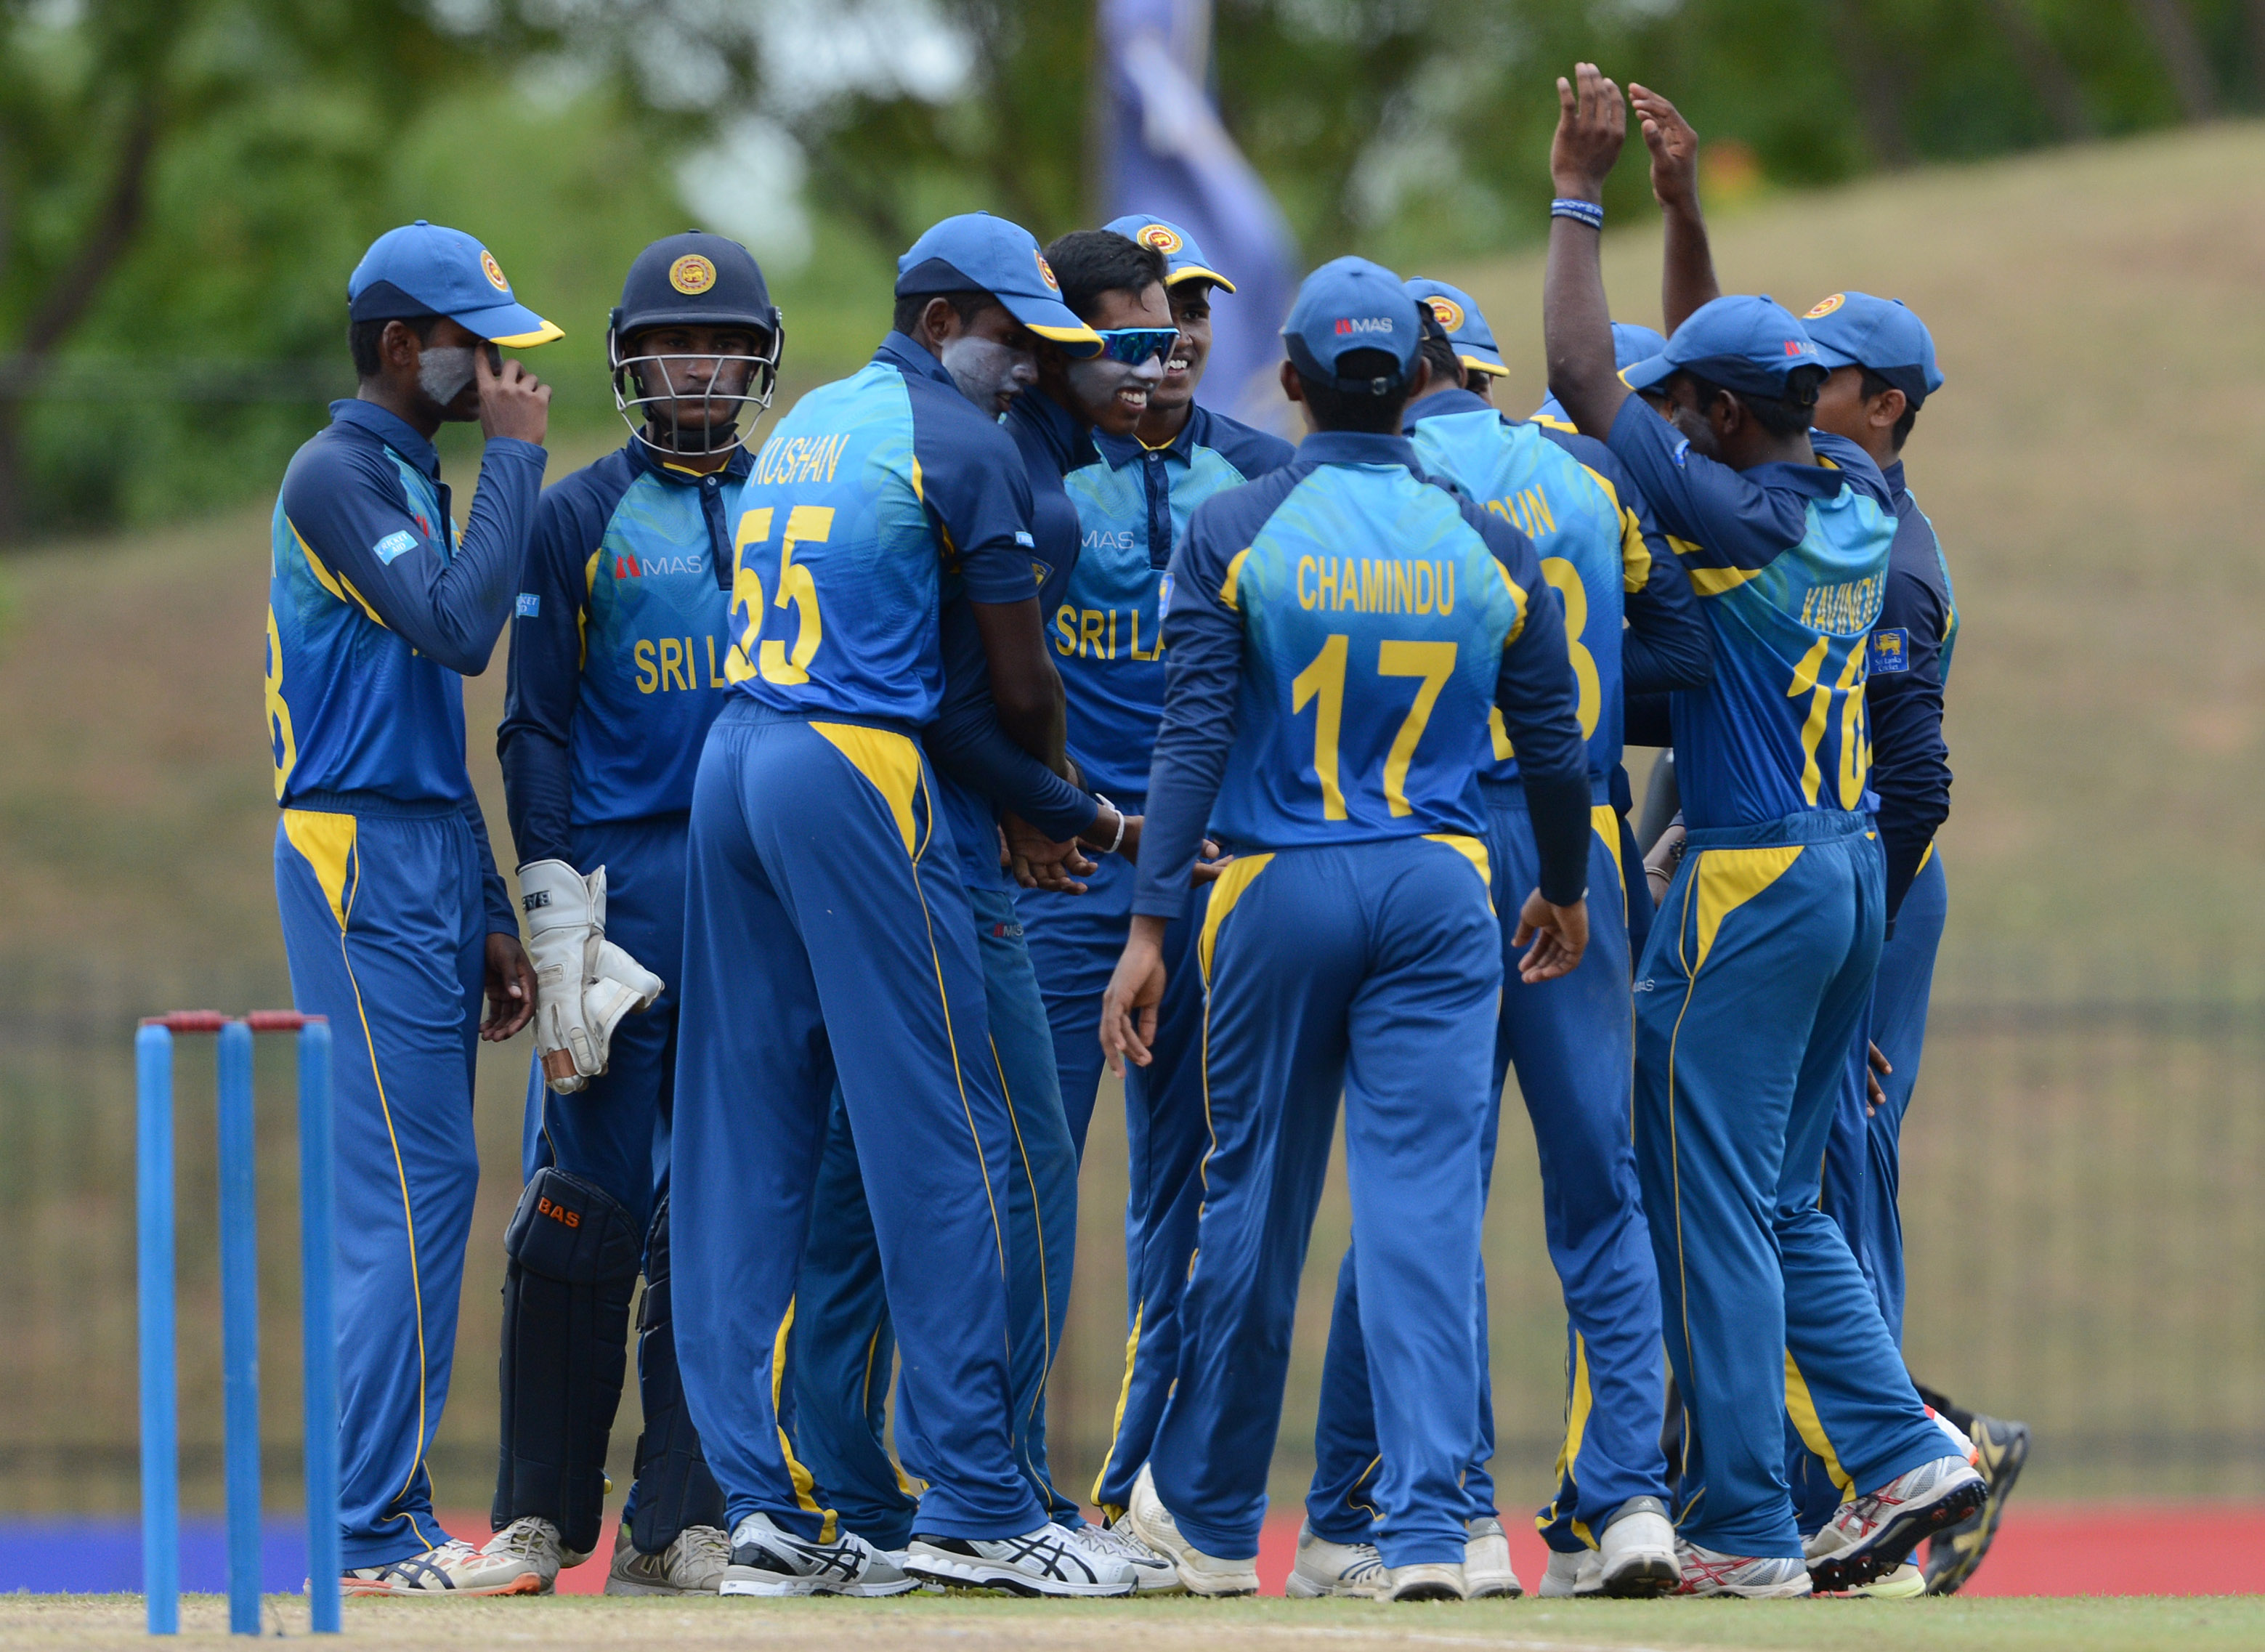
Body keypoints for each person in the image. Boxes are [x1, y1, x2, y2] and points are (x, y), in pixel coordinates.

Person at [1543, 65, 1983, 1597]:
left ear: (1722, 424)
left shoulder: (1731, 520)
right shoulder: (1856, 493)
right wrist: (1681, 218)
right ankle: (1907, 1450)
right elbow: (1726, 371)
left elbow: (1583, 373)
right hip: (1849, 870)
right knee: (1782, 1197)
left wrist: (1578, 197)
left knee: (1707, 1203)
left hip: (1749, 875)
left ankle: (1739, 1521)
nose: (1663, 424)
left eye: (1685, 412)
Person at [1103, 256, 1594, 1603]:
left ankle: (1211, 1527)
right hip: (1440, 886)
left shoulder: (1238, 527)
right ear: (1421, 378)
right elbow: (1553, 744)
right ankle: (1427, 1531)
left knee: (1251, 1204)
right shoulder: (1489, 542)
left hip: (1277, 885)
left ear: (1295, 380)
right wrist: (1563, 883)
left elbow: (1191, 737)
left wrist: (1149, 925)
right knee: (1423, 1216)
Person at [668, 210, 1140, 1599]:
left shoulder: (812, 418)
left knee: (745, 1132)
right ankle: (979, 1506)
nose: (1028, 367)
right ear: (939, 321)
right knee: (951, 1135)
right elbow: (1018, 687)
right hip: (858, 766)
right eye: (1011, 338)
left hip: (737, 755)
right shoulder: (964, 441)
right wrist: (1070, 812)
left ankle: (767, 1508)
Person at [1291, 281, 1711, 1602]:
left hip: (1426, 837)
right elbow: (1683, 646)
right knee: (1600, 1179)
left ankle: (1456, 1511)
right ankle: (1628, 1500)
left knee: (1425, 1189)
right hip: (1573, 830)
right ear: (1476, 369)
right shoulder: (1582, 473)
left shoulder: (1375, 485)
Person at [787, 225, 1169, 1588]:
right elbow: (969, 707)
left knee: (905, 1163)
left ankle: (884, 1488)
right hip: (936, 845)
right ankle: (970, 1492)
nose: (1146, 368)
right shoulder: (1011, 472)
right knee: (980, 1162)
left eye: (1160, 341)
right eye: (1115, 342)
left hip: (924, 830)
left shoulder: (1003, 454)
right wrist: (1074, 815)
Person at [485, 231, 782, 1596]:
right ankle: (538, 1517)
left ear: (756, 359)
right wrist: (550, 901)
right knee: (582, 1203)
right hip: (619, 893)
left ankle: (684, 1519)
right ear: (629, 361)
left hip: (753, 883)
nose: (697, 367)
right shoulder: (577, 516)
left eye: (721, 345)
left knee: (723, 1212)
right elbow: (534, 721)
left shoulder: (794, 505)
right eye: (671, 346)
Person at [267, 219, 552, 1593]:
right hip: (357, 854)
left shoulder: (406, 479)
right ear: (400, 345)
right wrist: (517, 460)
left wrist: (489, 900)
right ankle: (371, 1529)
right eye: (476, 347)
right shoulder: (333, 474)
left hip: (427, 847)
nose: (501, 374)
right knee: (409, 1183)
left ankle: (385, 1515)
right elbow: (460, 629)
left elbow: (431, 717)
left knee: (427, 1181)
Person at [1011, 215, 1293, 1538]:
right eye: (1150, 315)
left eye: (1194, 310)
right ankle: (996, 1481)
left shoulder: (1265, 475)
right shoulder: (1043, 468)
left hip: (1215, 877)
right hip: (1066, 871)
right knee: (1031, 1169)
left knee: (1190, 1187)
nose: (1175, 337)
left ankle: (1134, 1489)